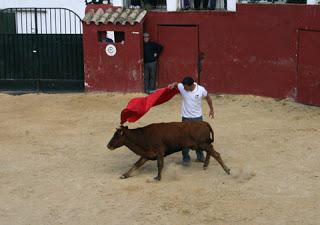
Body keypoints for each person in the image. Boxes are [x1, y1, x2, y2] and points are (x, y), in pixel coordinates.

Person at [168, 76, 214, 165]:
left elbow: (208, 98)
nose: (183, 88)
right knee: (184, 139)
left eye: (185, 87)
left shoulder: (201, 89)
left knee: (199, 138)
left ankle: (200, 156)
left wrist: (211, 109)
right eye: (183, 87)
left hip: (197, 118)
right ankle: (186, 158)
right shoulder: (182, 86)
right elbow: (176, 84)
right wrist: (172, 84)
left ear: (191, 85)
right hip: (186, 118)